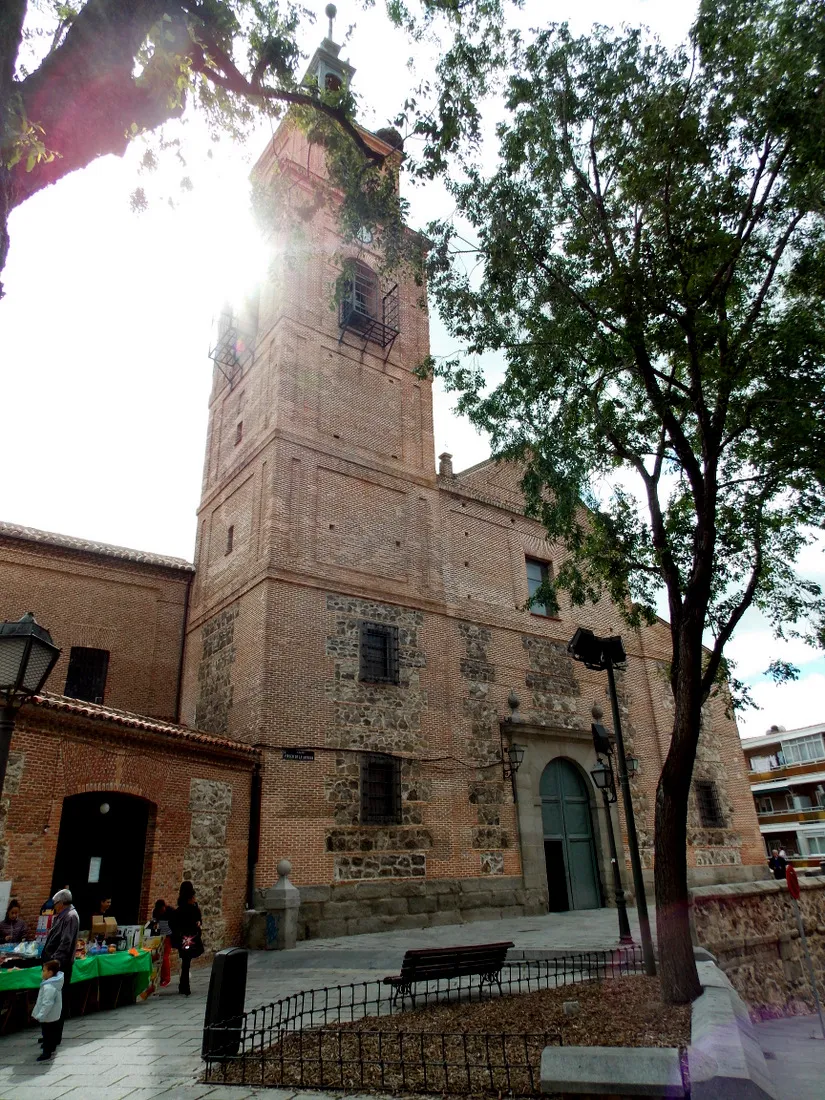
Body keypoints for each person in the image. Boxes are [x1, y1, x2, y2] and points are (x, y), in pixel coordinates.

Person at [42, 889, 79, 1047]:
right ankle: (49, 1034)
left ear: (62, 903)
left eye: (55, 903)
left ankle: (54, 1037)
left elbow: (65, 942)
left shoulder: (70, 917)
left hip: (59, 965)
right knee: (52, 1000)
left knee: (57, 1001)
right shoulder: (64, 916)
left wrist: (54, 962)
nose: (54, 906)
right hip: (55, 964)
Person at [169, 881, 203, 996]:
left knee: (185, 961)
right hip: (191, 937)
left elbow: (173, 924)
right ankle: (185, 985)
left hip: (182, 938)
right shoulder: (194, 909)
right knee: (186, 962)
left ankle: (183, 985)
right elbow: (198, 922)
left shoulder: (179, 910)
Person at [32, 959, 63, 1061]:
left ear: (50, 973)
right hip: (53, 1014)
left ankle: (46, 1052)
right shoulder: (53, 983)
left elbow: (47, 1003)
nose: (42, 973)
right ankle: (51, 1047)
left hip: (48, 1015)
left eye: (44, 970)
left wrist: (41, 1015)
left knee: (47, 1033)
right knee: (52, 1032)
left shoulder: (49, 986)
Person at [150, 898, 173, 988]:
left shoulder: (170, 911)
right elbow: (154, 922)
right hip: (159, 935)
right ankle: (159, 977)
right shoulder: (156, 912)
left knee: (165, 957)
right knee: (158, 957)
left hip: (168, 936)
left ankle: (166, 978)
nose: (162, 911)